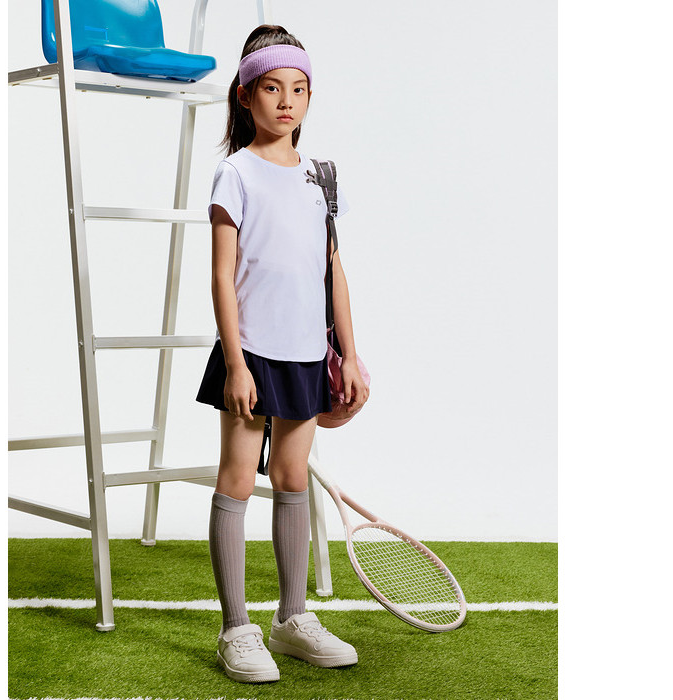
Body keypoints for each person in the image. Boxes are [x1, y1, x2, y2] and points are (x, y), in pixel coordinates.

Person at [195, 25, 370, 684]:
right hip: (253, 353)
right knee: (238, 479)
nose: (286, 101)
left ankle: (292, 619)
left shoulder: (320, 177)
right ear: (245, 96)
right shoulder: (235, 172)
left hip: (304, 355)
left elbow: (332, 270)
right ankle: (235, 629)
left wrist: (349, 355)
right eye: (272, 88)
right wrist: (237, 363)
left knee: (292, 478)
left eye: (298, 89)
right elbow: (222, 275)